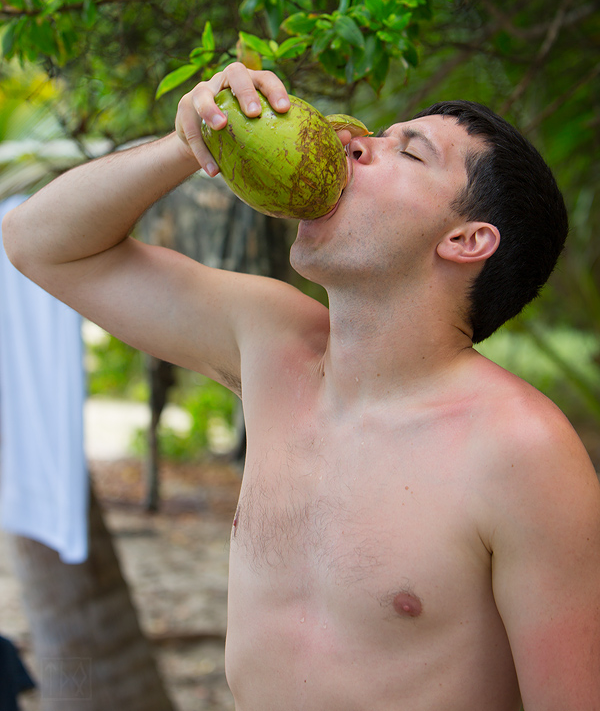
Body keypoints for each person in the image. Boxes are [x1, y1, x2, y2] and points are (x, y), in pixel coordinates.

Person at [3, 62, 600, 711]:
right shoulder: (272, 347)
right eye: (374, 133)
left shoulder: (523, 452)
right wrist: (190, 142)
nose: (351, 141)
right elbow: (40, 243)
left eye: (407, 151)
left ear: (466, 239)